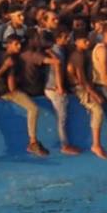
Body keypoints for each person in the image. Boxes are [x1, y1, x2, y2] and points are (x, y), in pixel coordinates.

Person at [0, 35, 51, 157]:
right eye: (16, 44)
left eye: (20, 44)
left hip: (4, 90)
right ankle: (33, 142)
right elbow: (11, 85)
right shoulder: (10, 59)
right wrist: (17, 91)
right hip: (8, 92)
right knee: (33, 109)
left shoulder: (2, 56)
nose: (19, 46)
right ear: (8, 45)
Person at [67, 30, 107, 159]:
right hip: (79, 88)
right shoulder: (77, 56)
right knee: (98, 111)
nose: (87, 43)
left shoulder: (82, 53)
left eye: (88, 40)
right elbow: (81, 79)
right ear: (76, 42)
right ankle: (96, 144)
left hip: (83, 86)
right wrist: (93, 93)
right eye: (84, 41)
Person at [42, 27, 81, 155]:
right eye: (65, 37)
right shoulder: (57, 51)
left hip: (51, 87)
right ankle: (65, 145)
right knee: (61, 117)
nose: (68, 39)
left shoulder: (58, 50)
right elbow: (57, 69)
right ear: (58, 39)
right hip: (54, 88)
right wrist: (60, 87)